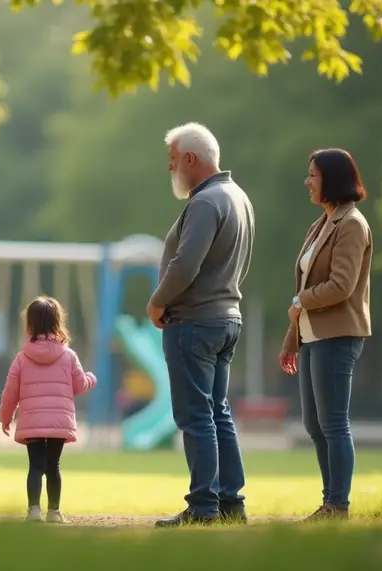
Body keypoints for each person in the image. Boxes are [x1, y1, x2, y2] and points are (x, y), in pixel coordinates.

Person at [147, 122, 255, 527]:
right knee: (218, 413)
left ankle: (203, 506)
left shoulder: (206, 201)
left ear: (191, 159)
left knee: (195, 416)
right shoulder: (238, 197)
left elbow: (185, 264)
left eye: (173, 161)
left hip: (194, 322)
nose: (170, 168)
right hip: (227, 317)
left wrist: (158, 301)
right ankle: (231, 502)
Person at [279, 148, 372, 521]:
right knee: (314, 425)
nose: (307, 181)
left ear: (332, 179)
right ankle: (329, 501)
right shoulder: (320, 225)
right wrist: (292, 338)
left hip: (339, 334)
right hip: (313, 336)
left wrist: (302, 300)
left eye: (313, 174)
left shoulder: (352, 224)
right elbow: (306, 287)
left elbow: (342, 285)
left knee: (333, 422)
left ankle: (338, 504)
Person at [0, 296, 97, 524]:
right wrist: (92, 378)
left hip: (32, 421)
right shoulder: (68, 355)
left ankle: (34, 510)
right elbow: (80, 385)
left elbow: (10, 391)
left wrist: (5, 417)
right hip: (58, 422)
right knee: (53, 466)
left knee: (35, 466)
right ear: (57, 322)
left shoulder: (22, 358)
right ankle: (54, 511)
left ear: (30, 323)